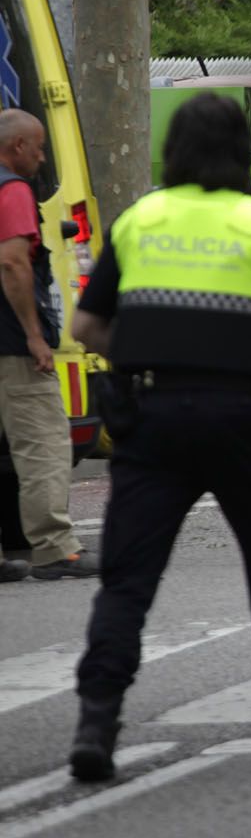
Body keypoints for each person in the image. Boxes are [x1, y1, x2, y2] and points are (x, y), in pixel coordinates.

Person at [66, 93, 251, 782]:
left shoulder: (140, 219)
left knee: (127, 581)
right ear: (238, 151)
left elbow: (85, 327)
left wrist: (146, 352)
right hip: (242, 417)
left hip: (152, 419)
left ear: (173, 151)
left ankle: (97, 721)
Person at [0, 109, 90, 583]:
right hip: (11, 343)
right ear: (17, 147)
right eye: (37, 146)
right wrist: (35, 336)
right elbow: (13, 263)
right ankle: (55, 548)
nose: (42, 155)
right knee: (43, 444)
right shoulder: (12, 189)